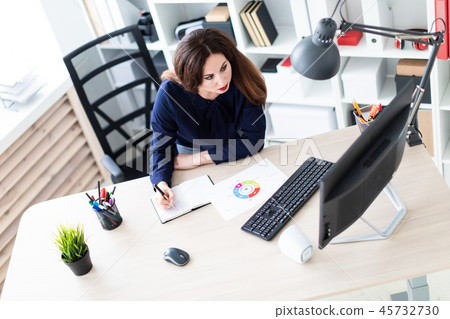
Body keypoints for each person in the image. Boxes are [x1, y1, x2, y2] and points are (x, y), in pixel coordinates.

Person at [150, 28, 267, 209]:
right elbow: (160, 146)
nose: (221, 82)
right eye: (209, 77)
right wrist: (161, 184)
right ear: (191, 77)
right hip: (189, 153)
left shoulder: (243, 78)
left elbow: (254, 141)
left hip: (235, 151)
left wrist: (198, 159)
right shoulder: (170, 94)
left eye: (224, 68)